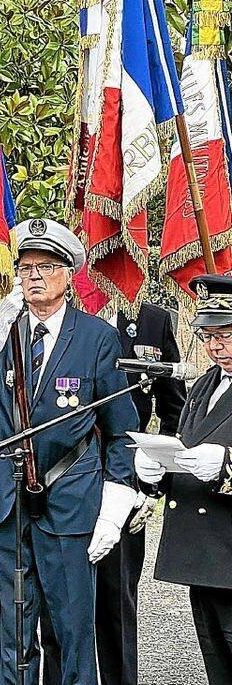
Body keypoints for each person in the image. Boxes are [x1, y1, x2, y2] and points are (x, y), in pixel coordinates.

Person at [0, 218, 138, 685]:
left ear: (69, 276)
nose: (34, 277)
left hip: (70, 500)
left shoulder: (95, 337)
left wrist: (114, 507)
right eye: (25, 268)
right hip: (8, 500)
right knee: (16, 630)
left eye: (46, 267)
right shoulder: (4, 334)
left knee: (72, 631)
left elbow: (120, 429)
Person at [39, 299, 185, 685]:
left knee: (117, 603)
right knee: (58, 609)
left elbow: (173, 408)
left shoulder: (151, 319)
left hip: (122, 484)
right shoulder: (54, 319)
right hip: (60, 484)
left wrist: (149, 484)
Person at [136, 273, 232, 683]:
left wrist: (229, 466)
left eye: (226, 335)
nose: (215, 346)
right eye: (208, 336)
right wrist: (158, 472)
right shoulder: (206, 383)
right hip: (204, 556)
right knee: (218, 662)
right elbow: (189, 447)